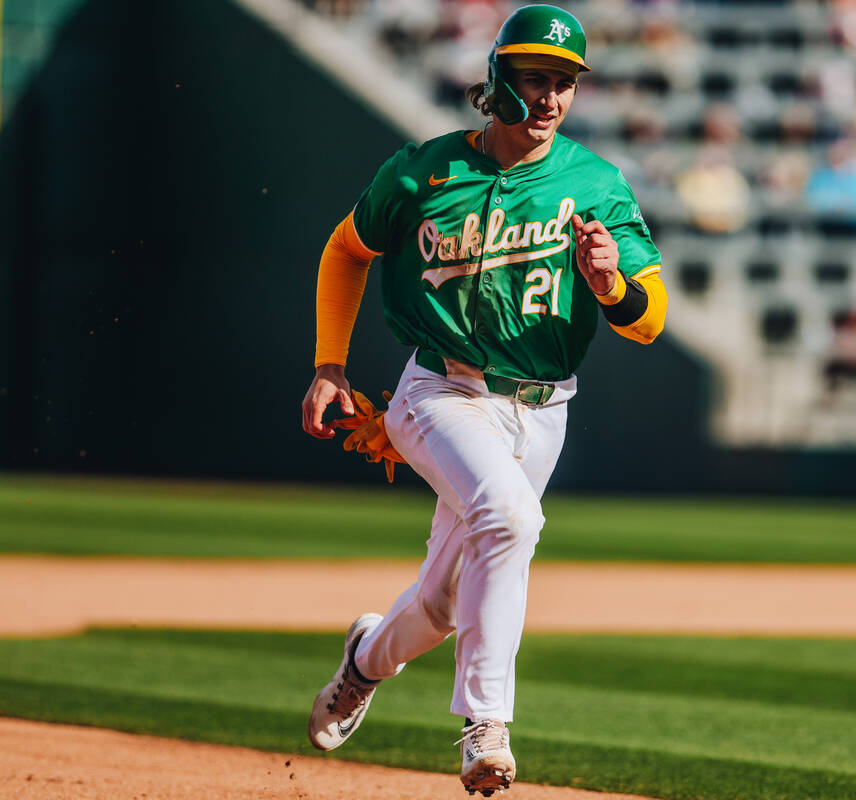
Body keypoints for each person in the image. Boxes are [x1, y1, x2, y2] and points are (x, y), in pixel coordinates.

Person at [298, 5, 667, 796]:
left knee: (443, 600)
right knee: (513, 519)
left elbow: (650, 322)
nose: (552, 97)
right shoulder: (423, 171)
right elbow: (346, 248)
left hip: (543, 410)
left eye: (565, 82)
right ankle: (486, 724)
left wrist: (612, 286)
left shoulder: (594, 185)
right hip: (439, 390)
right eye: (536, 77)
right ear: (496, 78)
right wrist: (330, 362)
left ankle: (364, 662)